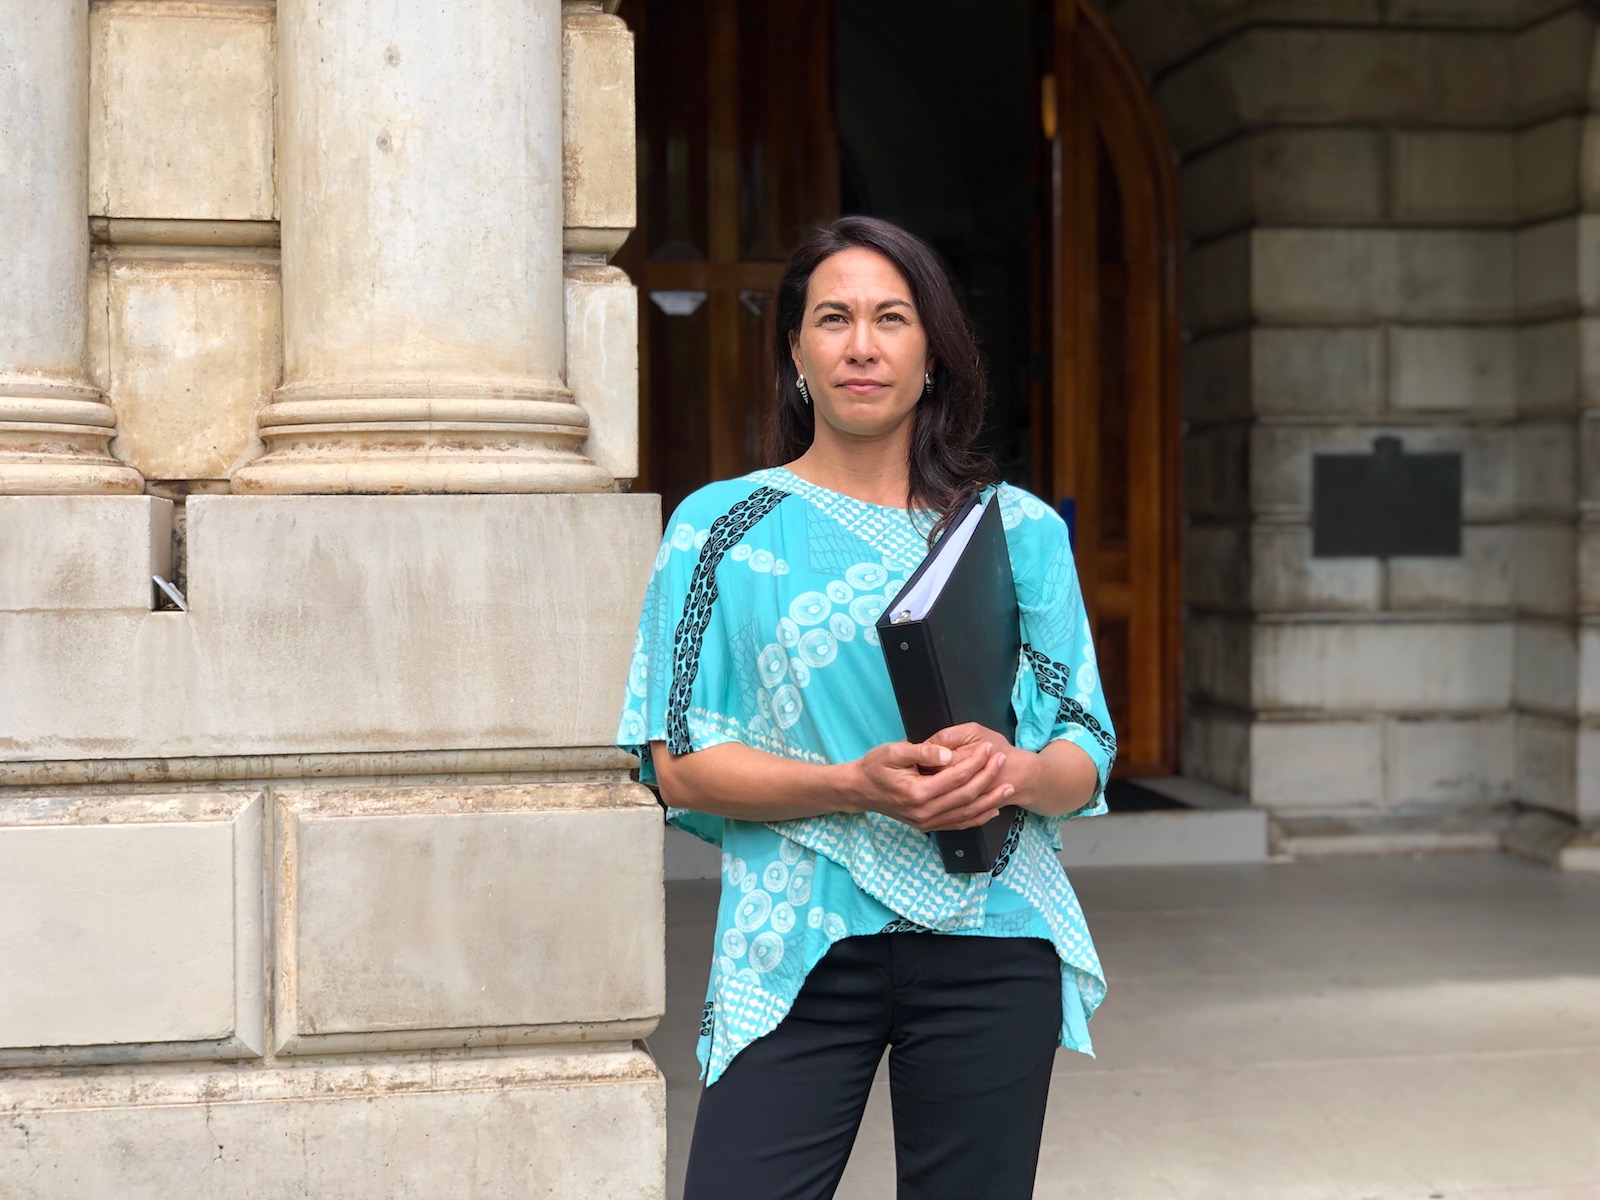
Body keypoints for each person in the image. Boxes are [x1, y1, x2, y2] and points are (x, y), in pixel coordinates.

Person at [616, 215, 1117, 1200]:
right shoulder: (716, 528)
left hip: (992, 932)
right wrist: (851, 785)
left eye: (891, 318)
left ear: (931, 352)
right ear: (794, 351)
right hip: (795, 939)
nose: (861, 344)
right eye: (832, 318)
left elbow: (1085, 745)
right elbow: (676, 759)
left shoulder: (1012, 531)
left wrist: (1010, 771)